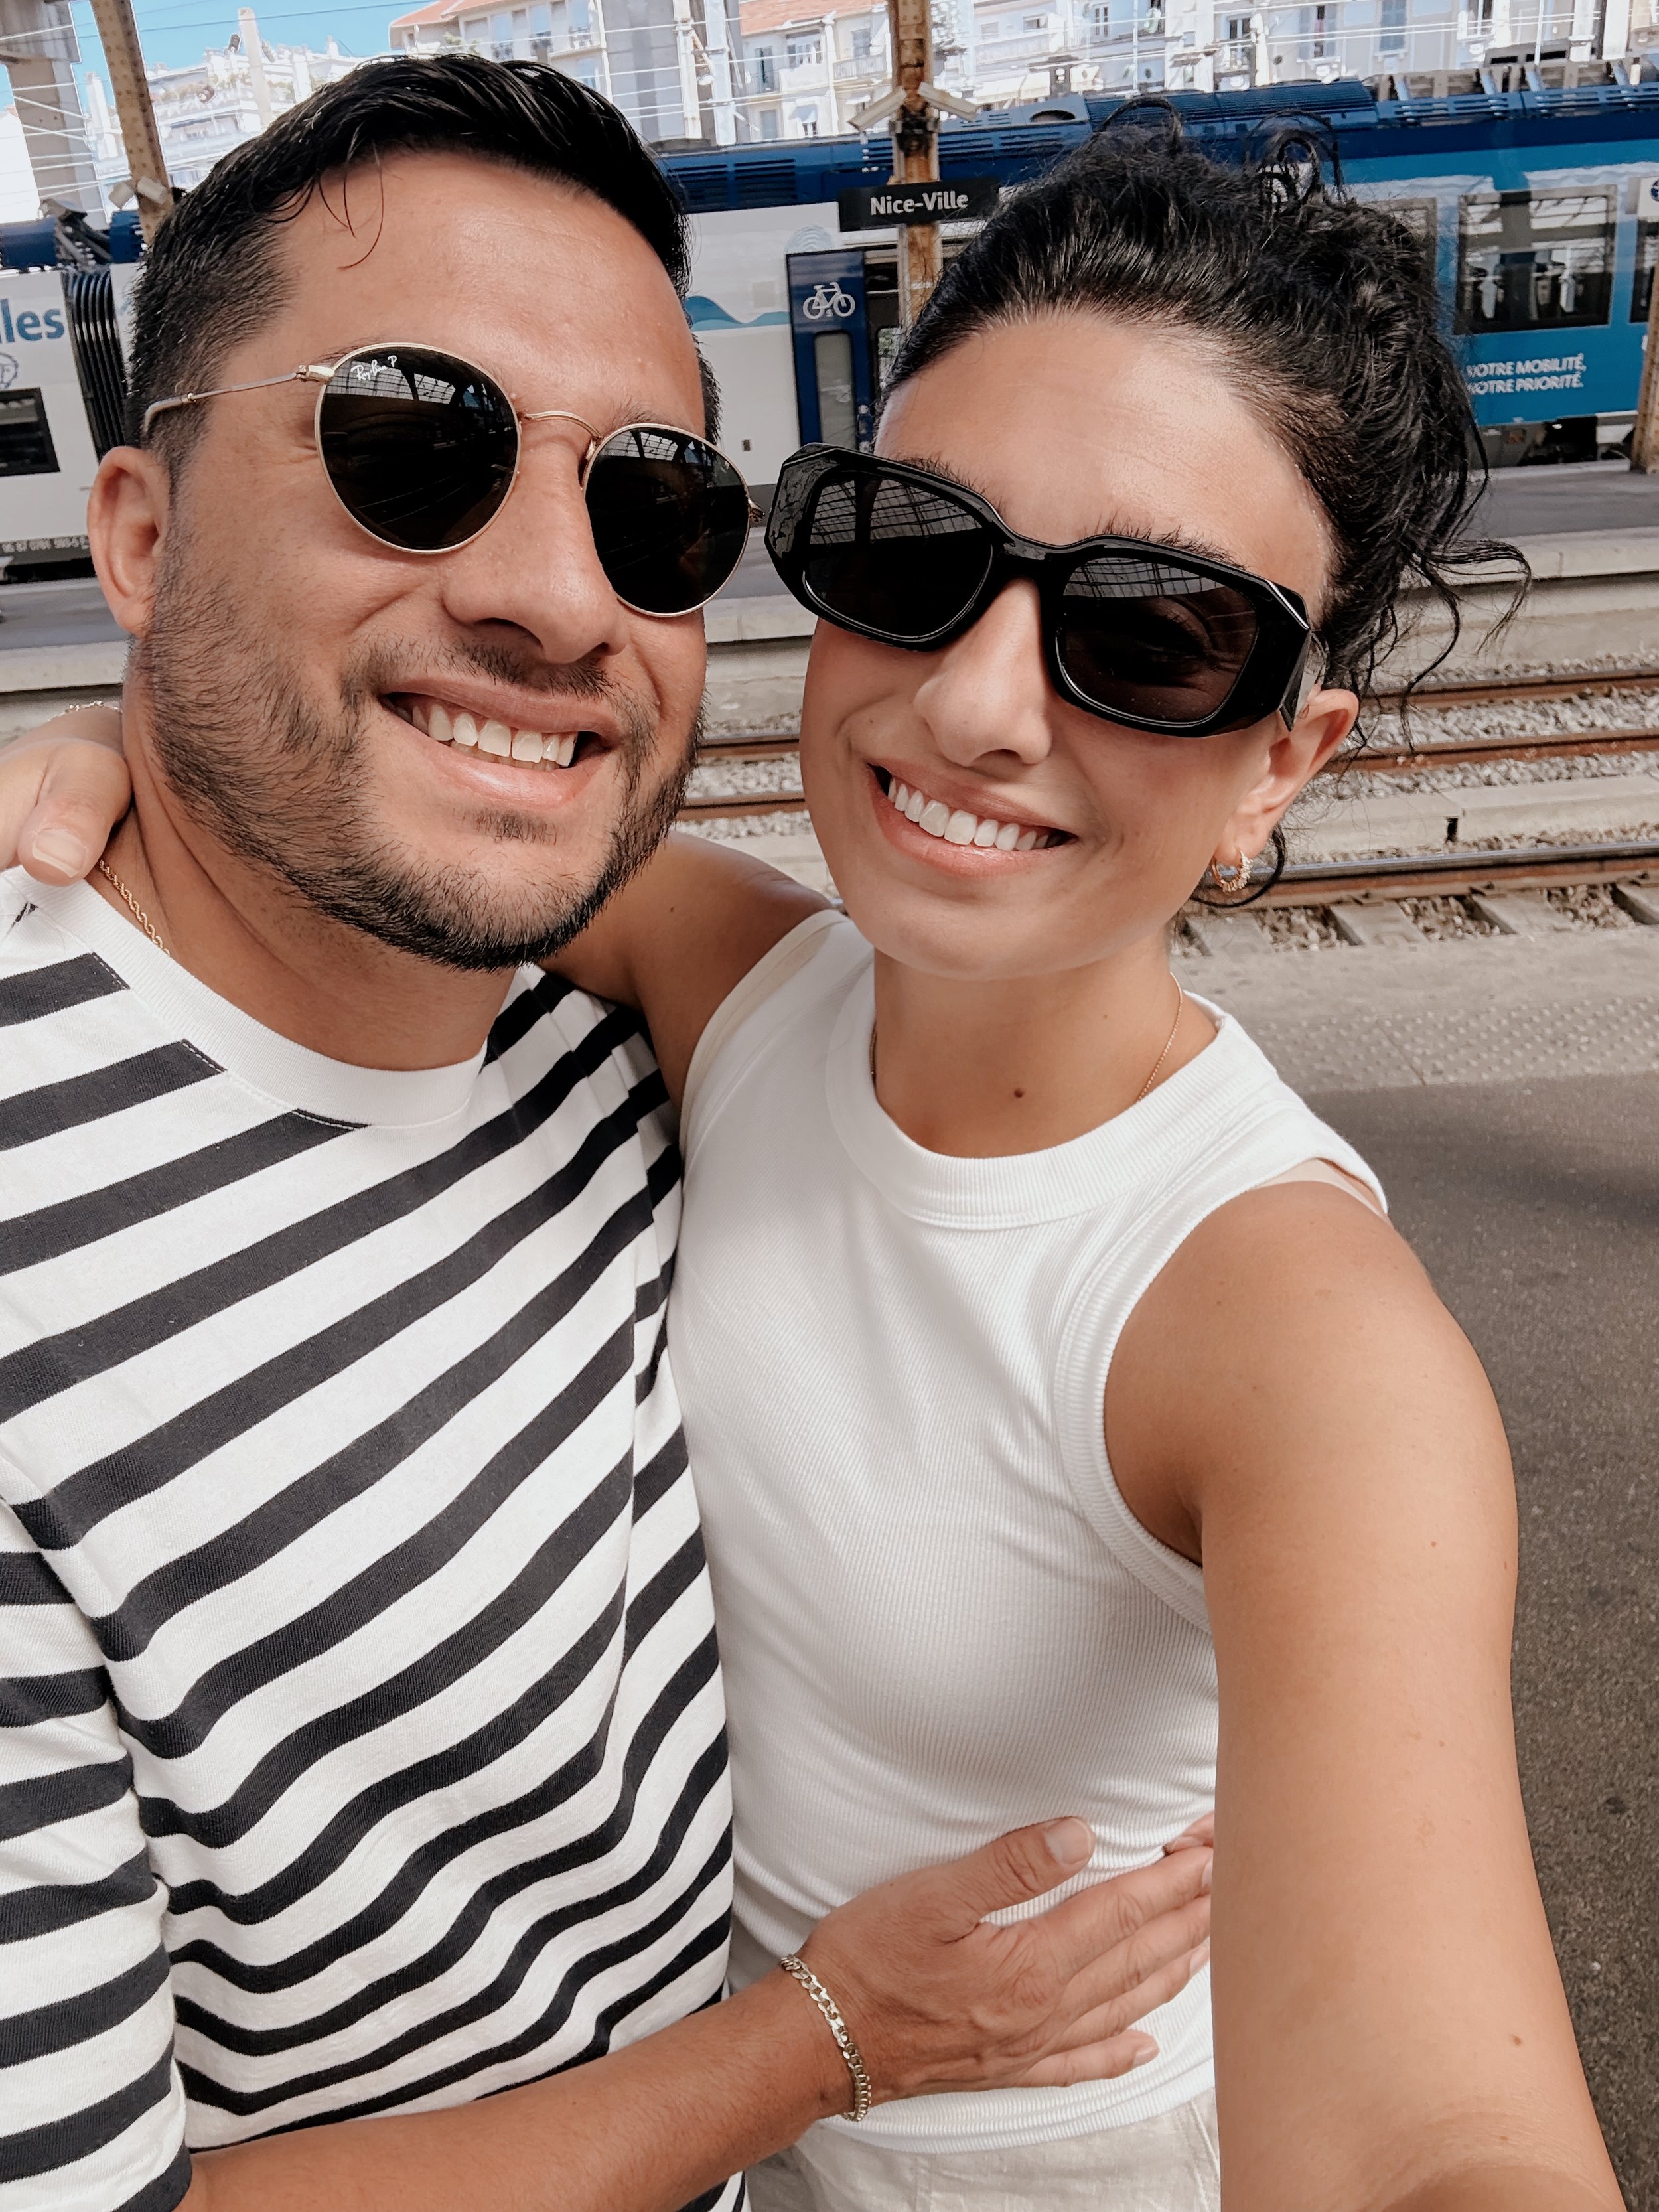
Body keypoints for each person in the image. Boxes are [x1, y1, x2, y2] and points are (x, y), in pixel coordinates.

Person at [3, 112, 1623, 2212]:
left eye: (1148, 636)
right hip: (763, 2136)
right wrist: (125, 741)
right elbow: (381, 804)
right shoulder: (734, 980)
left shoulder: (1296, 1331)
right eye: (910, 552)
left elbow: (1432, 2133)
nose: (971, 703)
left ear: (1281, 765)